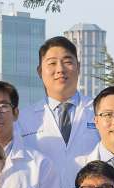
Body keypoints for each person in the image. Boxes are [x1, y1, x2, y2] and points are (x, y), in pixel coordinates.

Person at [18, 36, 100, 171]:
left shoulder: (99, 111)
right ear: (40, 71)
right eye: (52, 63)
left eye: (67, 62)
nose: (60, 69)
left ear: (78, 67)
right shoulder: (23, 119)